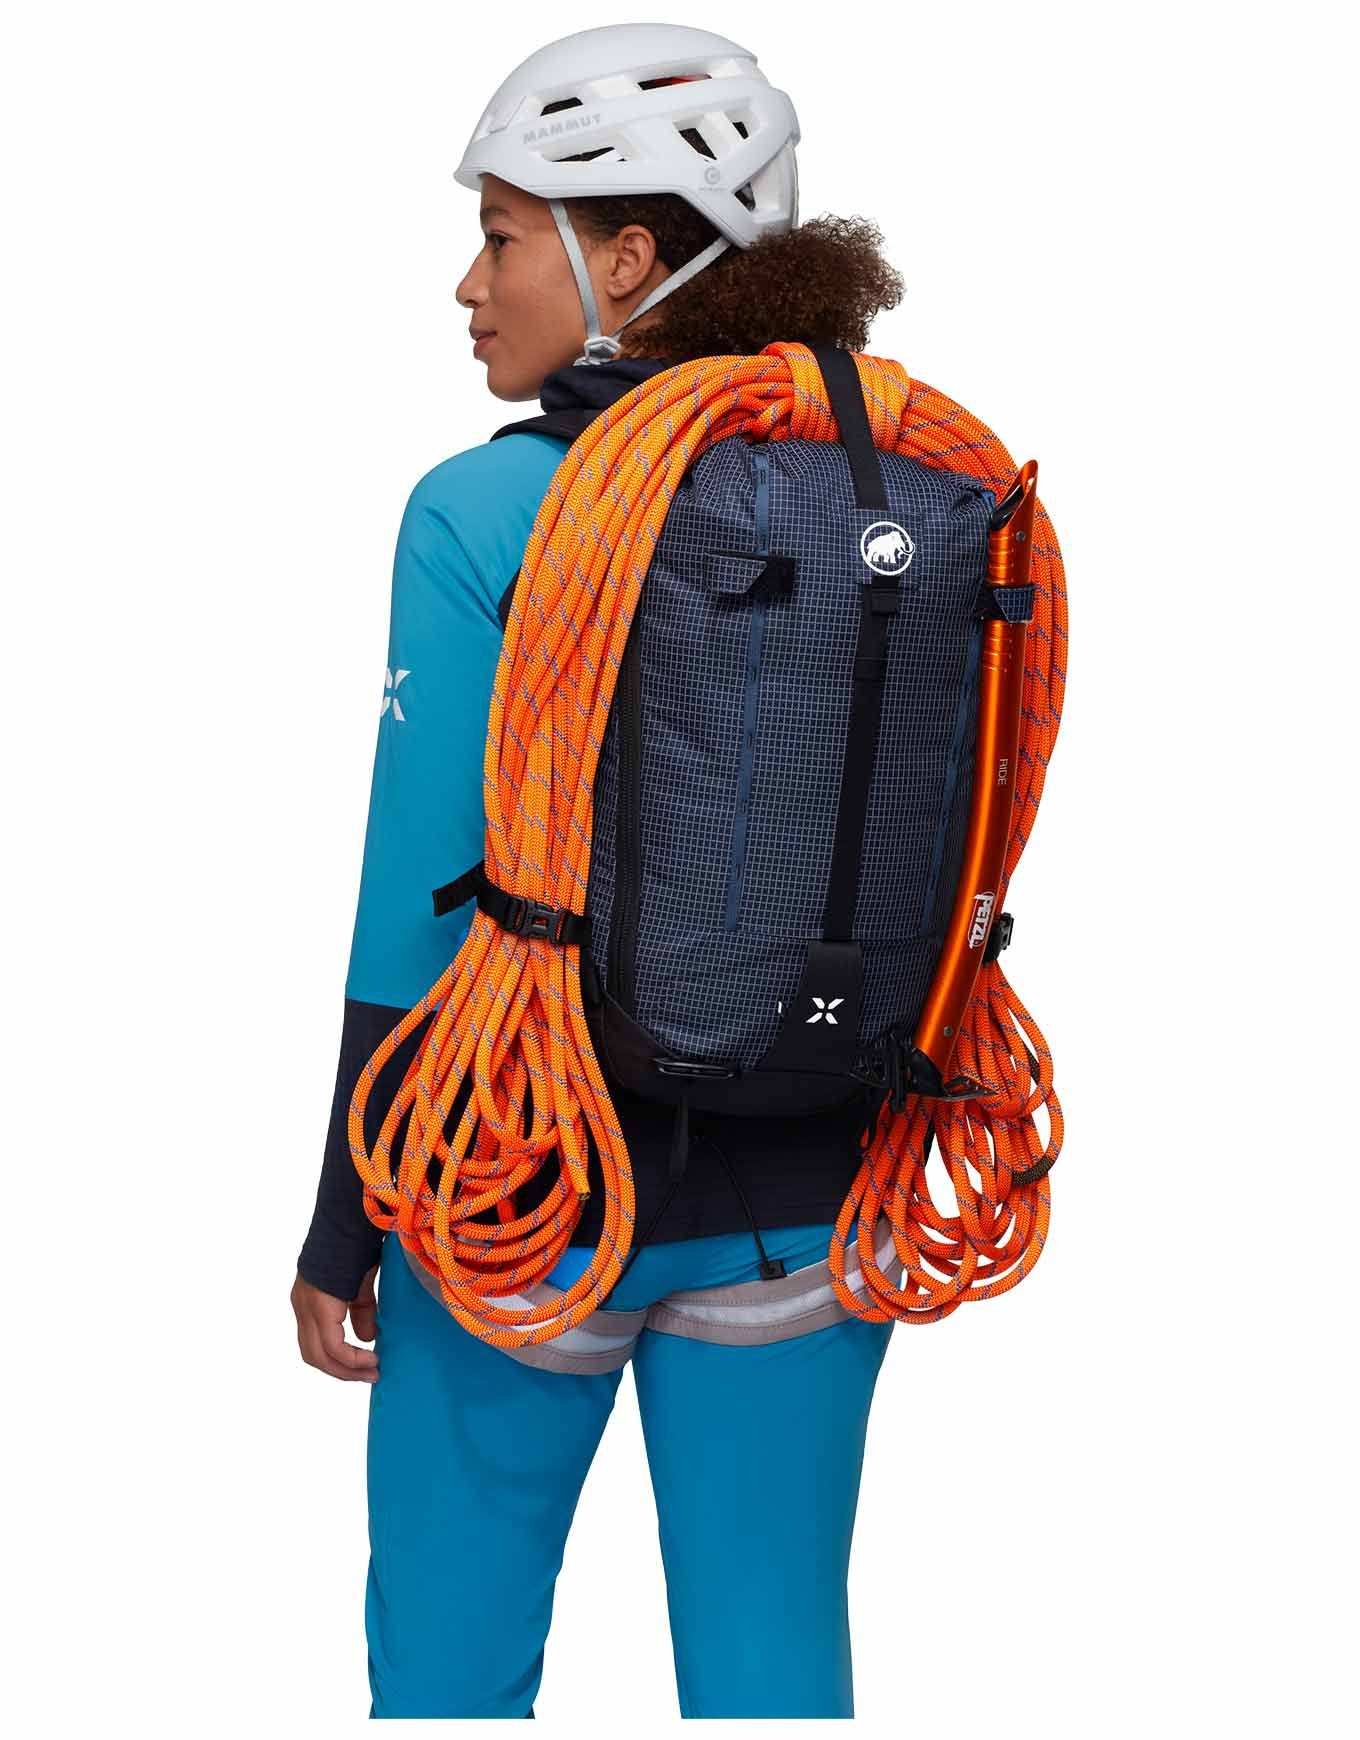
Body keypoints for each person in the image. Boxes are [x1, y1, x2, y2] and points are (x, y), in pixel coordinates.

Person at [291, 23, 910, 1719]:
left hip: (518, 1191)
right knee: (776, 1678)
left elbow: (412, 899)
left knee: (450, 1684)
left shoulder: (484, 513)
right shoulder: (896, 494)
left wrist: (344, 1222)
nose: (467, 285)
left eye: (500, 237)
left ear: (627, 259)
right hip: (809, 1197)